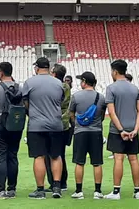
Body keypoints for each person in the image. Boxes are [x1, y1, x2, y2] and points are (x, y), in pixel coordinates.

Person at [21, 57, 65, 199]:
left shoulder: (30, 82)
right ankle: (57, 187)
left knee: (39, 156)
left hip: (36, 125)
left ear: (36, 68)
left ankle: (40, 189)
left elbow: (25, 102)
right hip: (56, 124)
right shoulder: (58, 83)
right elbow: (61, 100)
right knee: (56, 155)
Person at [104, 60, 139, 200]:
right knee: (133, 159)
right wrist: (136, 129)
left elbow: (112, 112)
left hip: (118, 130)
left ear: (114, 71)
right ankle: (137, 191)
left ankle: (116, 192)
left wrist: (121, 130)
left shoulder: (111, 88)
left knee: (118, 158)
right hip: (133, 128)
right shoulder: (134, 89)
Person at [0, 61, 24, 200]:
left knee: (0, 156)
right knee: (13, 156)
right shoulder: (19, 87)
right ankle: (12, 189)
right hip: (15, 125)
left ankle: (0, 189)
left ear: (0, 72)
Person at [68, 71, 106, 200]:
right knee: (97, 162)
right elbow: (101, 115)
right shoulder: (100, 97)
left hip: (80, 132)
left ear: (84, 82)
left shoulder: (76, 96)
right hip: (96, 131)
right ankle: (98, 191)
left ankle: (79, 191)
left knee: (79, 162)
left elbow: (71, 113)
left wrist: (76, 124)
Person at [45, 64, 71, 192]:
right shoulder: (66, 86)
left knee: (51, 154)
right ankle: (63, 181)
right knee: (60, 154)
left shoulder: (57, 86)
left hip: (54, 122)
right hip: (64, 124)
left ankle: (55, 182)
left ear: (54, 74)